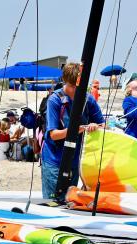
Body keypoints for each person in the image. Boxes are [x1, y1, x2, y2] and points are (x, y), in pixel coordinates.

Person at [41, 63, 104, 200]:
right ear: (65, 82)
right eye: (71, 86)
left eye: (77, 87)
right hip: (55, 161)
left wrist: (94, 126)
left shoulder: (88, 99)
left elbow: (103, 125)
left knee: (69, 202)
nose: (75, 90)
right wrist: (76, 129)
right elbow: (53, 135)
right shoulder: (55, 100)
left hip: (75, 162)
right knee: (53, 202)